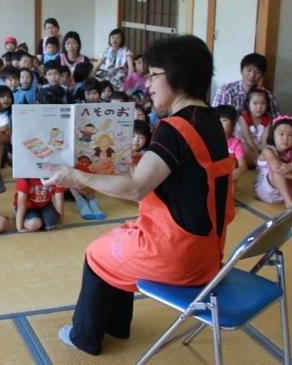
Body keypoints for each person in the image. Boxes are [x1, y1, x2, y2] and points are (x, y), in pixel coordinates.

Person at [44, 35, 235, 356]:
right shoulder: (211, 121)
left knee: (96, 254)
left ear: (177, 76)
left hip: (179, 255)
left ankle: (84, 337)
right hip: (209, 254)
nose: (147, 83)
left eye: (153, 75)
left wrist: (76, 175)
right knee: (118, 238)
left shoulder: (175, 128)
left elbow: (136, 187)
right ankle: (117, 327)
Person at [212, 52, 279, 118]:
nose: (252, 75)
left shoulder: (268, 95)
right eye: (249, 70)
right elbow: (214, 119)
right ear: (241, 70)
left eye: (257, 72)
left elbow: (276, 122)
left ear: (262, 75)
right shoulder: (225, 91)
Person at [238, 87, 272, 167]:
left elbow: (265, 138)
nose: (259, 107)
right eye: (255, 103)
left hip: (260, 148)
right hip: (248, 145)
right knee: (242, 147)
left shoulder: (268, 120)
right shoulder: (244, 117)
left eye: (263, 103)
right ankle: (256, 163)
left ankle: (258, 163)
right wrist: (257, 154)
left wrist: (262, 153)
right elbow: (247, 137)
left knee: (271, 150)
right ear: (248, 104)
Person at [215, 105, 247, 181]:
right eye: (216, 120)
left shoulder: (236, 144)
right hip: (212, 173)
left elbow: (242, 166)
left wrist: (228, 177)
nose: (219, 123)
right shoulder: (210, 140)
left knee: (231, 161)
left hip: (228, 176)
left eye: (224, 120)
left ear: (233, 124)